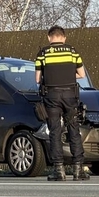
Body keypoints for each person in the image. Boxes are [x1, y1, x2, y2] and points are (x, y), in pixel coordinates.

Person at [35, 25, 88, 182]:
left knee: (55, 132)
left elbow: (37, 79)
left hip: (51, 95)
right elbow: (82, 74)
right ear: (64, 37)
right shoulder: (72, 51)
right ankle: (78, 170)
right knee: (73, 129)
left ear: (49, 37)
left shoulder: (43, 53)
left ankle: (59, 170)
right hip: (70, 95)